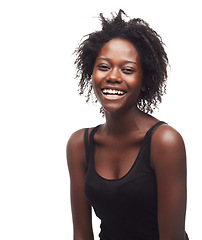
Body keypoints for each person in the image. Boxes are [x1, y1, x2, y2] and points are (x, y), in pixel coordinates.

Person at [67, 10, 189, 240]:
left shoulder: (164, 142)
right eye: (103, 66)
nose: (113, 76)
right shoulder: (79, 145)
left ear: (144, 81)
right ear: (90, 73)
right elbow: (82, 234)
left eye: (128, 69)